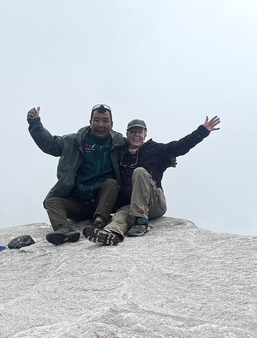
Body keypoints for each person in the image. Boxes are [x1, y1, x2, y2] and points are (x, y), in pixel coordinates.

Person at [91, 115, 221, 245]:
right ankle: (110, 234)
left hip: (154, 203)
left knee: (140, 172)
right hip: (131, 205)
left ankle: (141, 221)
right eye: (132, 132)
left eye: (139, 132)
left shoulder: (156, 150)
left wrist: (203, 130)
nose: (136, 135)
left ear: (145, 134)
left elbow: (180, 146)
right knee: (120, 217)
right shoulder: (120, 154)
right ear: (127, 134)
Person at [27, 104, 127, 245]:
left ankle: (99, 223)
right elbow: (50, 144)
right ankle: (64, 230)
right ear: (90, 121)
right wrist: (35, 123)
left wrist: (167, 154)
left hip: (103, 202)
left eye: (105, 121)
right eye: (96, 120)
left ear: (112, 124)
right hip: (77, 202)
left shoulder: (120, 144)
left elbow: (140, 150)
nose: (100, 124)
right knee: (52, 202)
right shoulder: (73, 141)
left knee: (111, 183)